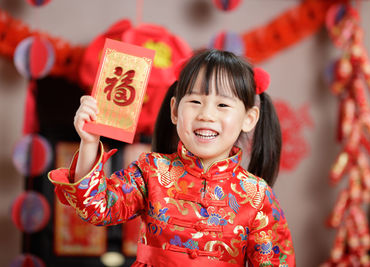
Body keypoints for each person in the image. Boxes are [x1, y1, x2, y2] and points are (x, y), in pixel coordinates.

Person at [48, 49, 295, 266]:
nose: (206, 114)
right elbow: (96, 208)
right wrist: (90, 142)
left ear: (249, 119)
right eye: (196, 101)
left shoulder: (258, 196)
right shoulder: (151, 171)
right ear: (175, 110)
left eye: (223, 105)